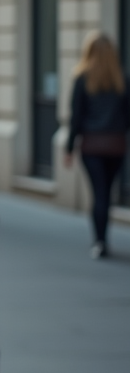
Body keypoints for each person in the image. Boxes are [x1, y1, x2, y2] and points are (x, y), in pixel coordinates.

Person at [64, 31, 129, 260]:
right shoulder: (122, 79)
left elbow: (76, 117)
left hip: (92, 146)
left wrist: (69, 148)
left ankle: (100, 241)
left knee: (98, 194)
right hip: (116, 146)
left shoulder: (82, 79)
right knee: (107, 194)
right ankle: (103, 239)